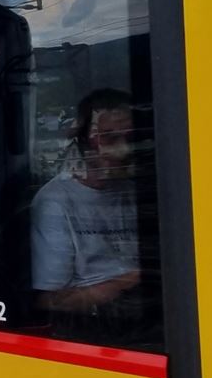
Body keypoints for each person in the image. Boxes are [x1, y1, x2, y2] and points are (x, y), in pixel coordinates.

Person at [31, 88, 141, 317]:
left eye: (131, 139)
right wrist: (127, 282)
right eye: (110, 139)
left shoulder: (131, 192)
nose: (124, 150)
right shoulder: (56, 203)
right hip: (94, 325)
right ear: (84, 141)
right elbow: (51, 300)